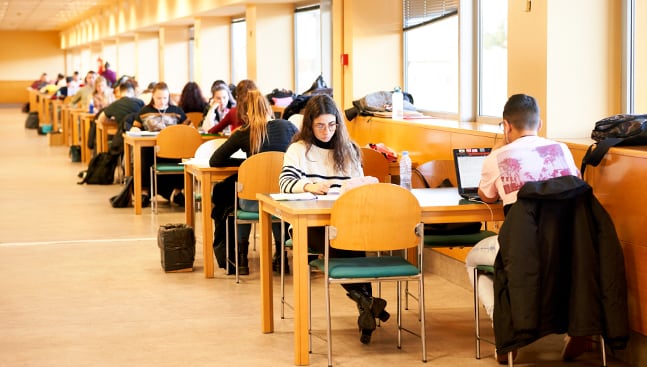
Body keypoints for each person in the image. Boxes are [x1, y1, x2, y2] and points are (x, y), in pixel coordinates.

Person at [465, 93, 581, 364]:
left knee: (472, 260)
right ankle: (577, 330)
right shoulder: (562, 150)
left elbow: (487, 196)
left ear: (506, 126)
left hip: (522, 250)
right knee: (557, 267)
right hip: (568, 245)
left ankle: (505, 328)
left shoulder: (497, 157)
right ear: (539, 124)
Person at [278, 94, 389, 345]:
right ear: (309, 124)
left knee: (350, 243)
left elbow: (359, 187)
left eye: (331, 125)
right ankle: (368, 305)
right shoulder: (298, 150)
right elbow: (285, 183)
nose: (326, 131)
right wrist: (309, 186)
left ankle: (366, 308)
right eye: (319, 125)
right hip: (309, 224)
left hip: (345, 220)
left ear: (338, 124)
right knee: (339, 244)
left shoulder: (348, 150)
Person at [209, 89, 298, 275]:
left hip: (250, 202)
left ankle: (242, 259)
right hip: (282, 199)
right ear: (268, 107)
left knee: (246, 195)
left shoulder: (244, 132)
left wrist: (248, 165)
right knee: (273, 201)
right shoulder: (288, 127)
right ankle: (281, 258)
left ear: (246, 113)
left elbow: (215, 161)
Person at [132, 82, 188, 207]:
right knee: (144, 153)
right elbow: (135, 127)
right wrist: (135, 130)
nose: (162, 101)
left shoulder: (177, 111)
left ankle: (178, 191)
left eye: (165, 98)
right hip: (152, 150)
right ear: (153, 97)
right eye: (159, 98)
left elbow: (188, 128)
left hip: (173, 150)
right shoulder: (145, 111)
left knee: (183, 154)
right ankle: (145, 191)